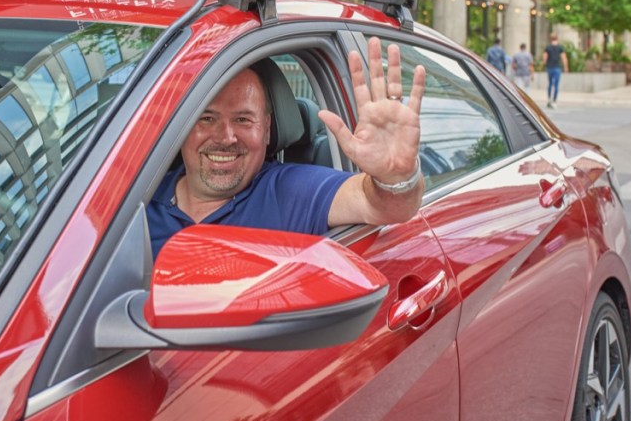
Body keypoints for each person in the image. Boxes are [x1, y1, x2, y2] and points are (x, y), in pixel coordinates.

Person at [146, 38, 426, 257]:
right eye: (207, 118)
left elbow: (383, 207)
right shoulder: (139, 195)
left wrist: (395, 177)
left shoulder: (290, 190)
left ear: (267, 129)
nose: (226, 136)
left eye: (243, 120)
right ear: (182, 127)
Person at [541, 33, 569, 108]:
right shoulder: (560, 47)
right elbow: (564, 58)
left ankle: (549, 99)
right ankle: (554, 101)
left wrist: (543, 64)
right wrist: (566, 67)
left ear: (551, 39)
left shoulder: (548, 47)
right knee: (556, 85)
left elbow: (545, 58)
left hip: (549, 67)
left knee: (550, 84)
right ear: (557, 38)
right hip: (557, 68)